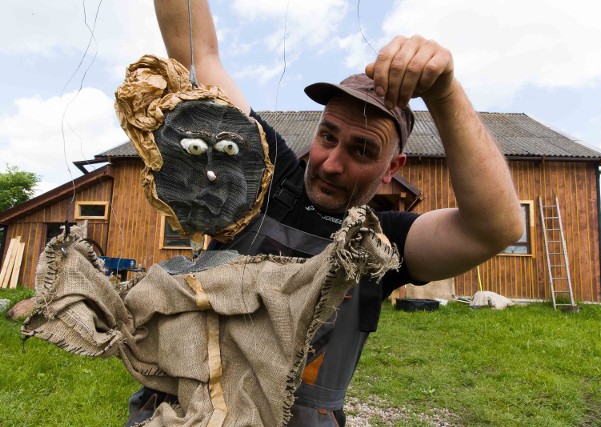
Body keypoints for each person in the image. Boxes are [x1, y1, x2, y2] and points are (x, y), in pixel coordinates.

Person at [126, 1, 524, 425]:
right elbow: (198, 56)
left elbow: (493, 228)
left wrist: (444, 94)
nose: (332, 163)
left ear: (393, 168)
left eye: (362, 150)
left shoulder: (382, 244)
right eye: (327, 137)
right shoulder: (265, 173)